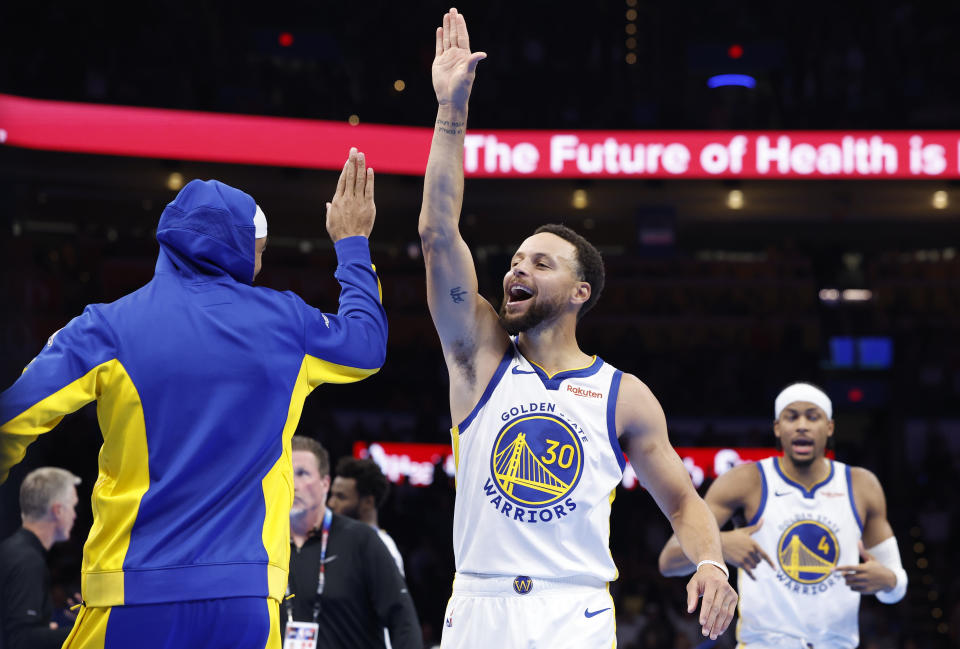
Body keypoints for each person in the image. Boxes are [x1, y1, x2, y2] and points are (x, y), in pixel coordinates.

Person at [418, 9, 737, 648]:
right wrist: (451, 113)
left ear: (579, 292)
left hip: (576, 612)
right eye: (514, 260)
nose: (517, 268)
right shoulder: (479, 354)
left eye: (541, 262)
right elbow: (436, 235)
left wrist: (711, 563)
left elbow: (682, 501)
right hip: (480, 603)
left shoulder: (624, 393)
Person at [0, 148, 388, 649]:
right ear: (239, 247)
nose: (261, 261)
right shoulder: (288, 324)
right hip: (246, 599)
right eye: (261, 249)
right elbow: (367, 346)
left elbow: (12, 419)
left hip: (129, 596)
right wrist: (353, 244)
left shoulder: (107, 326)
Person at [658, 383, 908, 648]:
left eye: (813, 416)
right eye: (792, 416)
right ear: (778, 428)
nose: (802, 425)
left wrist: (888, 581)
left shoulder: (861, 485)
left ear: (830, 427)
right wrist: (720, 545)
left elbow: (896, 586)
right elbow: (668, 560)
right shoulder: (745, 480)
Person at [285, 436, 422, 649]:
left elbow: (402, 620)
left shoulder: (363, 540)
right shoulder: (264, 543)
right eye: (285, 473)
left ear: (325, 483)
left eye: (302, 473)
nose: (292, 484)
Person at [0, 467, 80, 649]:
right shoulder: (27, 560)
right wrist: (86, 630)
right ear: (58, 510)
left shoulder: (12, 551)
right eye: (73, 506)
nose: (75, 515)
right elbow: (22, 640)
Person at [329, 456, 405, 575]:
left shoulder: (383, 549)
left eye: (341, 497)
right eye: (332, 495)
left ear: (368, 502)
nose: (331, 503)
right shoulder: (333, 541)